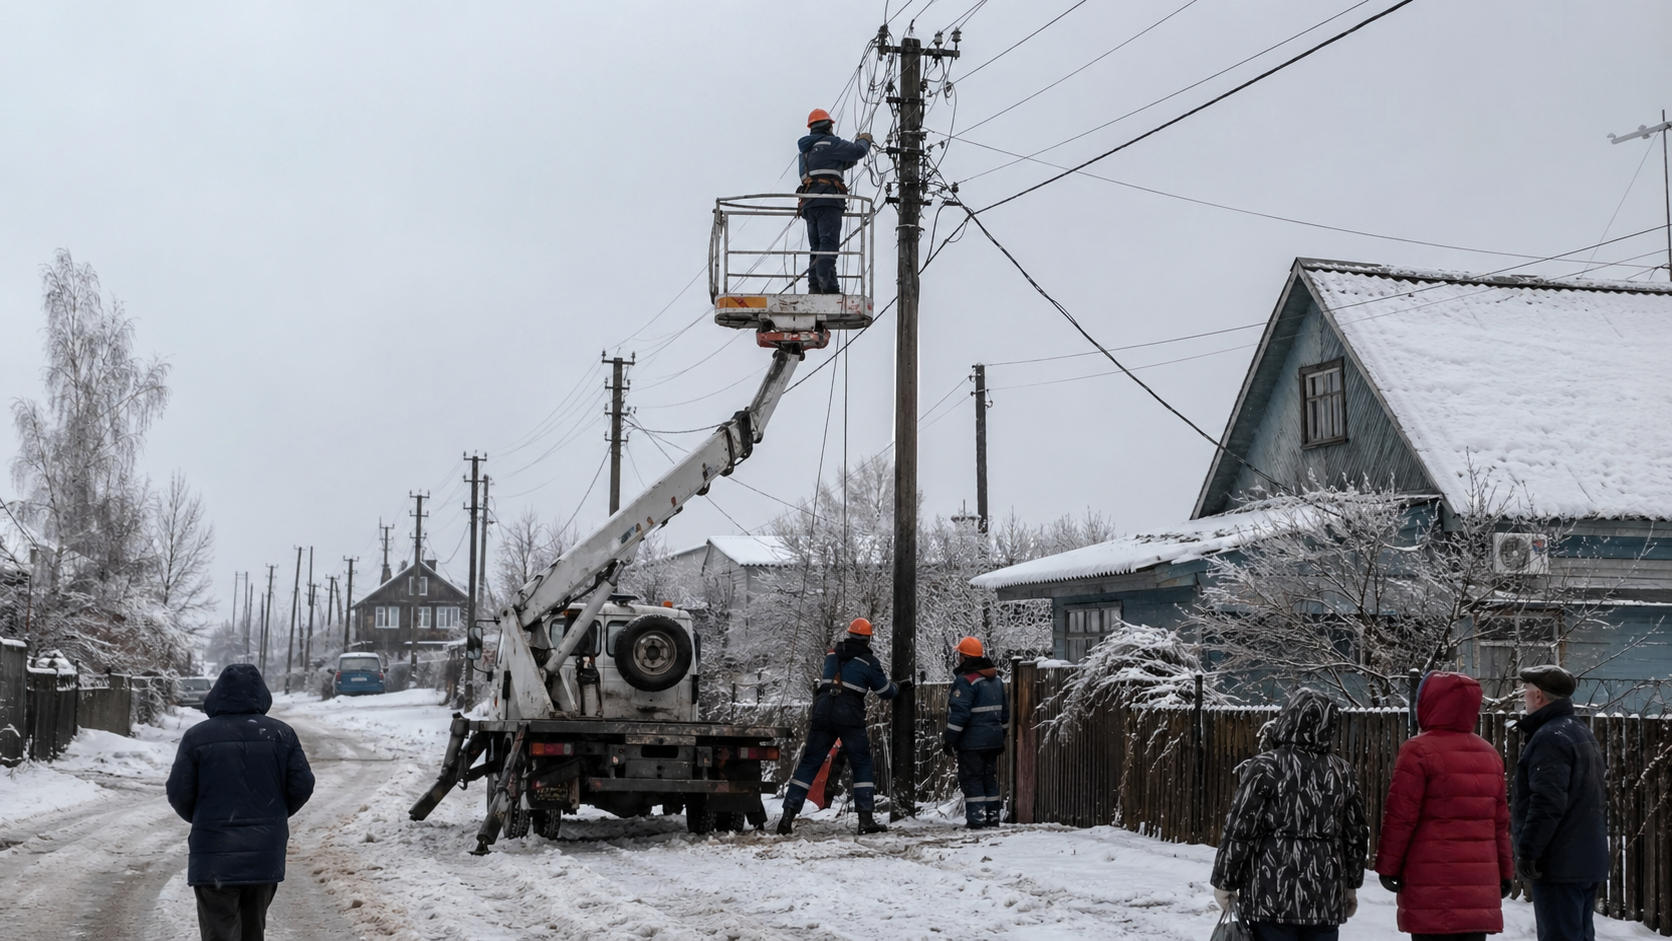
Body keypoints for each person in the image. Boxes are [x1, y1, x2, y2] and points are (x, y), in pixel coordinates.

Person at [167, 663, 315, 941]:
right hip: (264, 852)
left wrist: (204, 817)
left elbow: (178, 792)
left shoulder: (197, 737)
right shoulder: (281, 735)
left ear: (217, 694)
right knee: (252, 930)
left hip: (213, 852)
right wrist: (273, 814)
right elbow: (302, 785)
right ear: (262, 695)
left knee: (219, 932)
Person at [1212, 688, 1369, 941]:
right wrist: (1351, 884)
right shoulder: (1342, 772)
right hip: (1325, 896)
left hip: (1271, 894)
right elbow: (1356, 834)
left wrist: (1225, 881)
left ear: (1288, 719)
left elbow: (1241, 828)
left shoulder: (1266, 767)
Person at [1374, 672, 1513, 941]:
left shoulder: (1418, 750)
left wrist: (1388, 866)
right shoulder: (1489, 754)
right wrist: (1505, 872)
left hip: (1430, 883)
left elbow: (1401, 816)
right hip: (1477, 885)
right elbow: (1499, 824)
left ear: (1429, 702)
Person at [776, 617, 904, 835]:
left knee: (809, 763)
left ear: (849, 634)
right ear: (868, 640)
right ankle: (865, 820)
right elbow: (884, 692)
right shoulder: (869, 662)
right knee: (861, 763)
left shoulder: (831, 656)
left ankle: (787, 817)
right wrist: (898, 687)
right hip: (849, 713)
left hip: (823, 710)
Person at [1511, 664, 1606, 941]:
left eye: (1526, 691)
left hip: (1559, 862)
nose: (1524, 697)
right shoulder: (1580, 731)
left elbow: (1547, 801)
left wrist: (1528, 851)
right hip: (1585, 858)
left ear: (1538, 696)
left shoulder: (1549, 738)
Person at [798, 108, 873, 294]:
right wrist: (864, 140)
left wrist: (845, 161)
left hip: (809, 202)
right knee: (828, 244)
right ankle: (828, 285)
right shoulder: (830, 143)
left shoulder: (806, 150)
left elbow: (825, 165)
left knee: (816, 247)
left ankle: (815, 287)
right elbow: (857, 151)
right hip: (828, 200)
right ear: (828, 126)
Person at [942, 636, 1008, 829]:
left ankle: (976, 819)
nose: (958, 659)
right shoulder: (996, 680)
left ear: (964, 658)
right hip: (994, 740)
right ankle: (992, 817)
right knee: (989, 778)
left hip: (972, 742)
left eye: (960, 655)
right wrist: (1000, 737)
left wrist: (949, 740)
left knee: (972, 778)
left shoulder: (965, 681)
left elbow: (959, 715)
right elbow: (1005, 714)